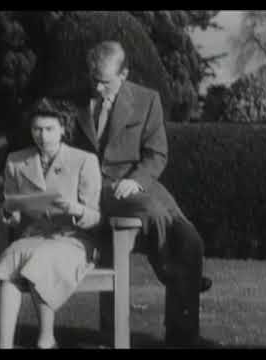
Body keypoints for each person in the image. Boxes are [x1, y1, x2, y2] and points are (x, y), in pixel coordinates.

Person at [71, 41, 211, 347]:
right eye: (92, 78)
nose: (96, 87)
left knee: (191, 240)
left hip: (136, 182)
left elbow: (157, 154)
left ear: (124, 74)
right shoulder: (74, 101)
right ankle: (173, 274)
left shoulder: (147, 100)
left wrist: (136, 180)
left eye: (104, 81)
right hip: (95, 186)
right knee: (152, 211)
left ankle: (182, 336)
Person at [0, 98, 102, 349]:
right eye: (36, 129)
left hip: (74, 240)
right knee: (10, 263)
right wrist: (9, 213)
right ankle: (4, 345)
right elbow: (14, 214)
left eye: (49, 129)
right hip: (34, 236)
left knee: (39, 257)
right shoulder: (17, 161)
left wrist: (77, 209)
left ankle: (46, 338)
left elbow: (94, 216)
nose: (42, 136)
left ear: (63, 128)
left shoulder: (84, 160)